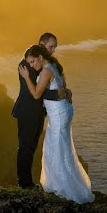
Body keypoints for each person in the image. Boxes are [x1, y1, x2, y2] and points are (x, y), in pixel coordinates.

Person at [18, 44, 94, 204]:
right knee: (52, 147)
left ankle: (63, 186)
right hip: (48, 112)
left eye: (33, 62)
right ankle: (43, 184)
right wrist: (62, 92)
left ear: (40, 56)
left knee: (56, 147)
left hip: (56, 114)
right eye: (29, 63)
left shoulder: (46, 69)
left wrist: (27, 77)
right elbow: (48, 90)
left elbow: (39, 92)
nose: (31, 65)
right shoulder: (44, 66)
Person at [11, 33, 70, 188]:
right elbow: (33, 92)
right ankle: (24, 183)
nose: (53, 50)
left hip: (38, 112)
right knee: (25, 147)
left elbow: (45, 84)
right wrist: (56, 94)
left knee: (32, 147)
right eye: (51, 47)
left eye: (54, 47)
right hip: (27, 111)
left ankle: (28, 182)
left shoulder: (45, 63)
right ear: (41, 45)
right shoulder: (26, 64)